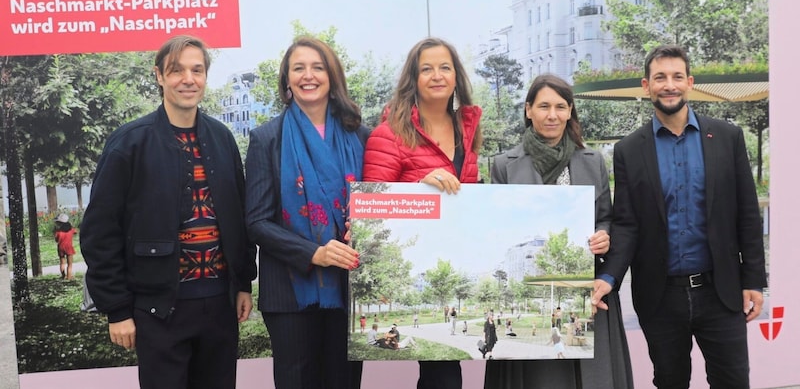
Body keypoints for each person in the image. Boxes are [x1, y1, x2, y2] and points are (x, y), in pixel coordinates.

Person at [80, 35, 257, 389]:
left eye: (197, 70)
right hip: (158, 309)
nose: (187, 79)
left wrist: (242, 283)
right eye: (176, 70)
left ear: (206, 76)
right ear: (159, 76)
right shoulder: (129, 143)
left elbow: (238, 217)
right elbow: (100, 231)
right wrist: (117, 309)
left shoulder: (223, 139)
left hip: (219, 306)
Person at [593, 45, 767, 388]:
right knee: (670, 382)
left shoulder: (727, 137)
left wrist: (753, 280)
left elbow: (747, 212)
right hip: (660, 297)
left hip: (722, 292)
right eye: (660, 77)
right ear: (646, 85)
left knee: (733, 381)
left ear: (689, 82)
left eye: (676, 77)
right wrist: (609, 277)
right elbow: (627, 223)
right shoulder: (629, 149)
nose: (668, 85)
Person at [484, 74, 633, 388]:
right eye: (544, 106)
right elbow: (496, 227)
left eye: (560, 107)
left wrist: (603, 236)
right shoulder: (503, 164)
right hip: (533, 288)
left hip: (587, 288)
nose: (552, 115)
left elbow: (606, 218)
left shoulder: (593, 162)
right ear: (528, 110)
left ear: (570, 111)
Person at [245, 36, 367, 389]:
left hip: (348, 285)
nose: (308, 75)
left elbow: (381, 205)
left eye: (318, 67)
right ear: (286, 80)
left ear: (332, 76)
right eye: (298, 68)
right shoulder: (267, 138)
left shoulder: (361, 136)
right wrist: (315, 253)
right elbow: (256, 222)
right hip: (290, 290)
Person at [363, 37, 482, 389]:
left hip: (455, 258)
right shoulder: (388, 135)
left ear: (456, 77)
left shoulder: (468, 131)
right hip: (417, 265)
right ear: (413, 79)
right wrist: (418, 185)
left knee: (446, 372)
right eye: (426, 68)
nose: (437, 75)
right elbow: (372, 211)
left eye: (445, 67)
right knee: (442, 375)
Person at [53, 213, 76, 280]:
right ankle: (69, 277)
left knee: (62, 263)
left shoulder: (58, 232)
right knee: (70, 264)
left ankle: (63, 276)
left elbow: (56, 240)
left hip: (61, 248)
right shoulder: (71, 230)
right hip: (69, 247)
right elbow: (76, 231)